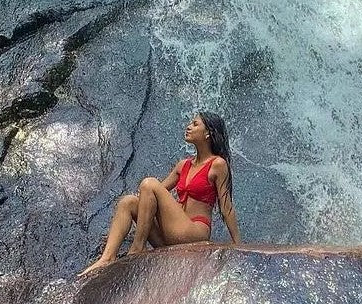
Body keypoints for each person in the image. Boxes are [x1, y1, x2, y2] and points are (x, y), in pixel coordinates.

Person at [78, 112, 241, 277]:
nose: (189, 127)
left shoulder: (218, 164)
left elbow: (226, 207)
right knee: (128, 202)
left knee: (149, 183)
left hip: (193, 233)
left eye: (195, 124)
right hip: (170, 235)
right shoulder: (183, 165)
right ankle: (107, 257)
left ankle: (137, 248)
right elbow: (150, 197)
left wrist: (237, 244)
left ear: (208, 133)